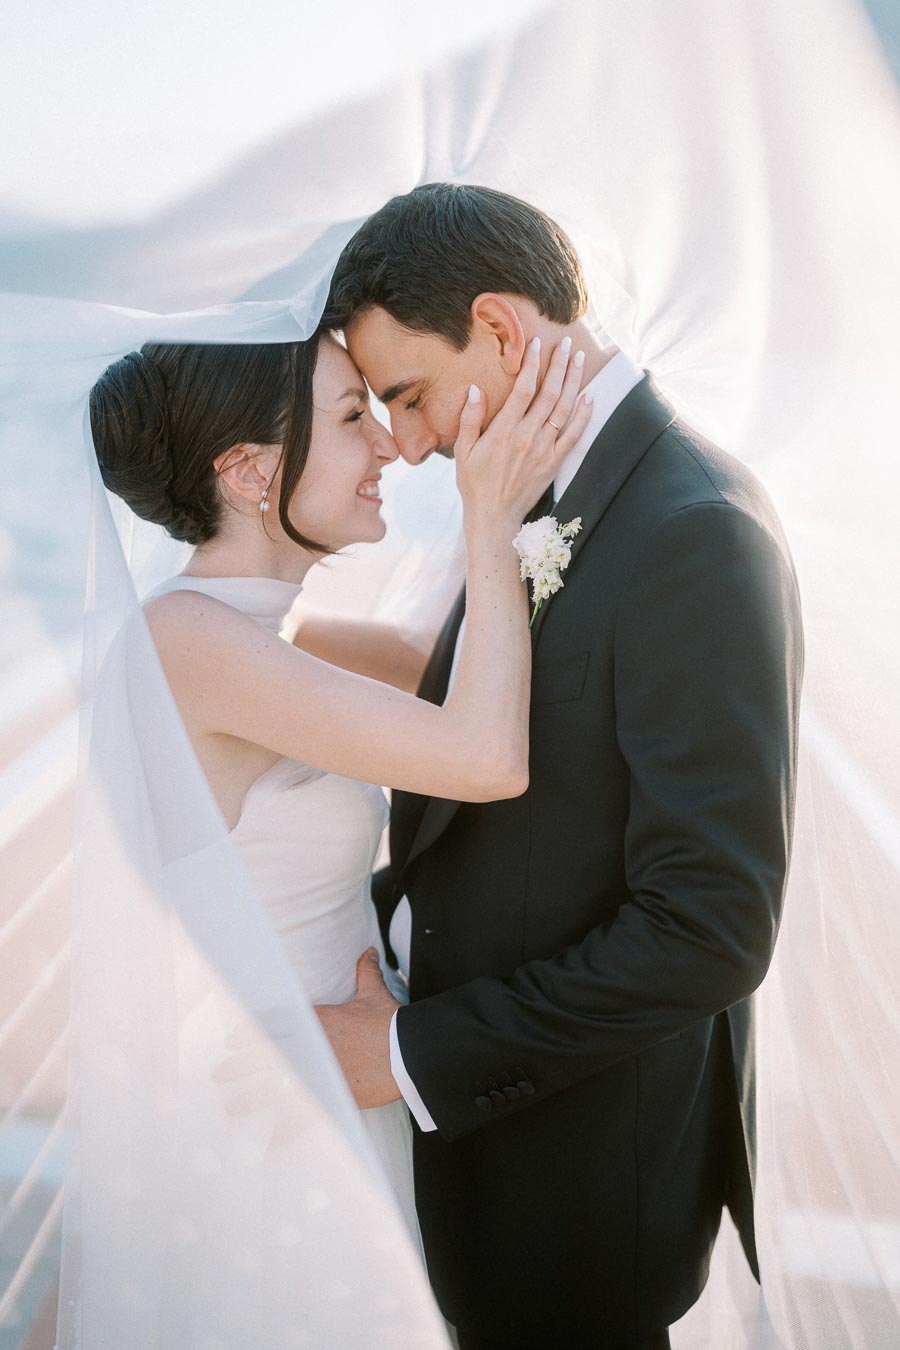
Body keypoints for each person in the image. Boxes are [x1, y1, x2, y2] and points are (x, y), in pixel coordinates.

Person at [315, 182, 805, 1350]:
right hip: (486, 1153)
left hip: (579, 1187)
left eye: (410, 395)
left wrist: (404, 1053)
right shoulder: (528, 500)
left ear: (498, 326)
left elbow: (710, 926)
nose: (414, 442)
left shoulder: (696, 529)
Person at [87, 325, 590, 1252]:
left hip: (333, 1086)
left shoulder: (269, 639)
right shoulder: (185, 644)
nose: (392, 446)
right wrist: (489, 513)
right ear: (247, 472)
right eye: (355, 414)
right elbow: (484, 757)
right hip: (274, 1124)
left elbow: (417, 670)